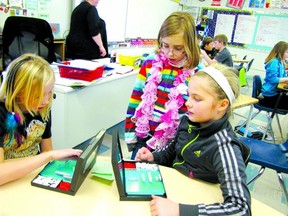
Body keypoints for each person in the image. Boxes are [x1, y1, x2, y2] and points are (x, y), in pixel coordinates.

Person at [136, 63, 251, 216]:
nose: (187, 103)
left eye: (197, 99)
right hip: (173, 190)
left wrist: (180, 210)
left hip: (194, 203)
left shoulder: (225, 147)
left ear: (222, 105)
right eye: (189, 95)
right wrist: (153, 156)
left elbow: (241, 209)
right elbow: (173, 150)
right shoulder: (187, 121)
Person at [124, 11, 202, 159]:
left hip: (174, 142)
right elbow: (135, 98)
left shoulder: (197, 72)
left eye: (178, 48)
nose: (170, 53)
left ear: (190, 44)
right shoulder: (150, 63)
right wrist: (130, 134)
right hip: (144, 135)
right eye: (165, 45)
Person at [0, 54, 82, 186]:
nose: (45, 101)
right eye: (37, 95)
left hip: (32, 175)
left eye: (49, 92)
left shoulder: (42, 109)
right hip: (9, 182)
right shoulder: (2, 113)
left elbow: (47, 150)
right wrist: (49, 156)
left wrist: (52, 158)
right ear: (18, 91)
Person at [260, 41, 288, 110]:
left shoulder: (281, 62)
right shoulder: (274, 62)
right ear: (280, 52)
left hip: (275, 93)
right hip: (270, 96)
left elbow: (284, 76)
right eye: (287, 52)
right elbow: (273, 80)